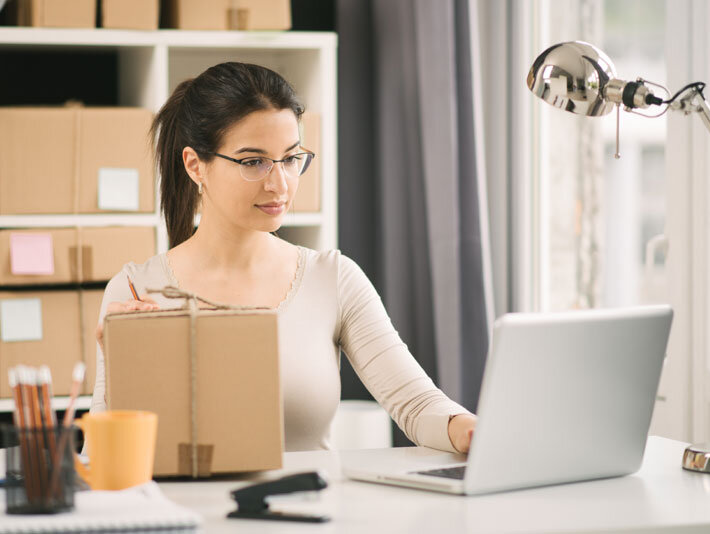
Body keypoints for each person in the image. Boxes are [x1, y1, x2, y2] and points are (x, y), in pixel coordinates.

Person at [91, 62, 477, 453]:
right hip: (184, 514)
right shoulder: (136, 290)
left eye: (291, 158)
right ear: (195, 166)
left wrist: (471, 430)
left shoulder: (333, 278)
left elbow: (417, 405)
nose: (280, 184)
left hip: (309, 510)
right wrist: (125, 362)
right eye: (253, 161)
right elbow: (101, 456)